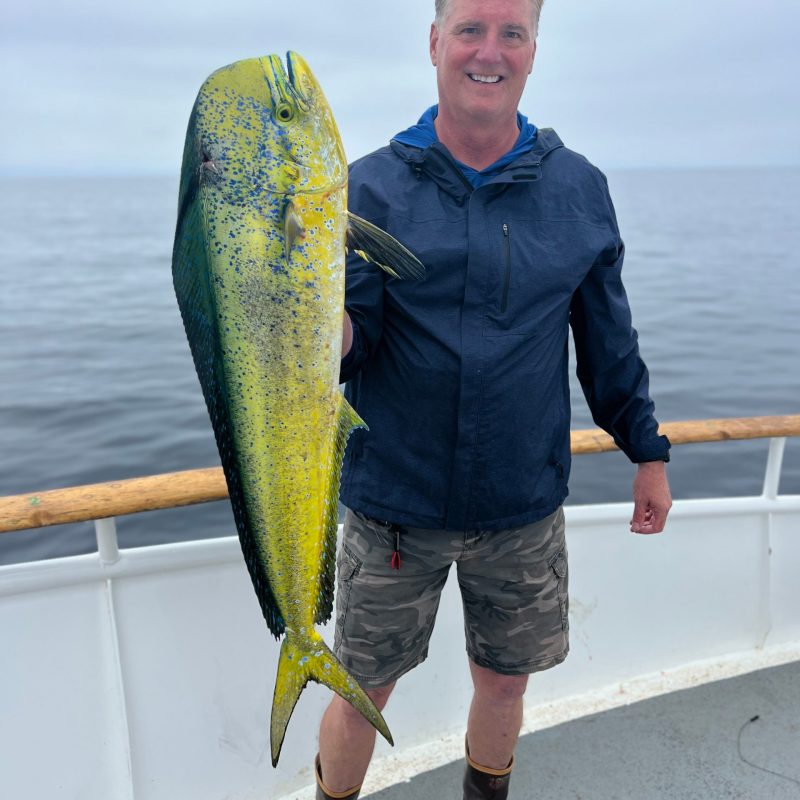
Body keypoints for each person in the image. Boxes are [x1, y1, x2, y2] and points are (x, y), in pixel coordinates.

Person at [315, 1, 673, 798]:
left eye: (512, 32)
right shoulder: (364, 188)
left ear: (535, 50)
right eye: (471, 29)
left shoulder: (578, 188)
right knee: (360, 689)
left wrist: (646, 451)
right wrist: (297, 317)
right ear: (435, 42)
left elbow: (608, 344)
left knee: (506, 684)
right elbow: (350, 345)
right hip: (392, 509)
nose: (490, 50)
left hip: (521, 505)